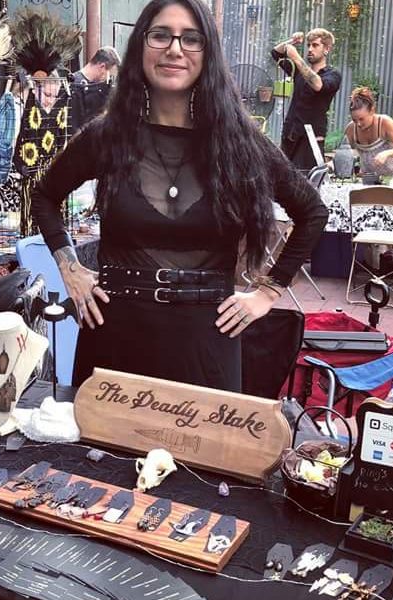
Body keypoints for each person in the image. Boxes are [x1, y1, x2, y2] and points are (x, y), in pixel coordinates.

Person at [32, 0, 328, 392]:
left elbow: (312, 212)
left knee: (201, 436)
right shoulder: (107, 137)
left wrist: (267, 293)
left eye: (191, 39)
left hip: (206, 344)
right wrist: (71, 270)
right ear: (141, 47)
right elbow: (44, 196)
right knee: (103, 436)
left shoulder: (240, 143)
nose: (175, 49)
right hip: (114, 340)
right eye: (160, 35)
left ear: (208, 53)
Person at [271, 28, 342, 172]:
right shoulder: (298, 72)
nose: (310, 49)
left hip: (311, 139)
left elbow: (318, 85)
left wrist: (296, 58)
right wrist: (292, 41)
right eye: (309, 45)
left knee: (307, 180)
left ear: (327, 49)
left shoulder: (333, 75)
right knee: (283, 178)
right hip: (290, 135)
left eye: (315, 45)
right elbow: (275, 53)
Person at [344, 86, 393, 177]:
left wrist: (386, 153)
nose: (358, 124)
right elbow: (344, 151)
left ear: (372, 111)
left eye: (361, 119)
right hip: (368, 175)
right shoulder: (351, 129)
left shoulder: (385, 122)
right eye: (354, 120)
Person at [69, 46, 121, 128]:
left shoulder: (103, 88)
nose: (108, 80)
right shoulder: (73, 85)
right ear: (102, 67)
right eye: (110, 75)